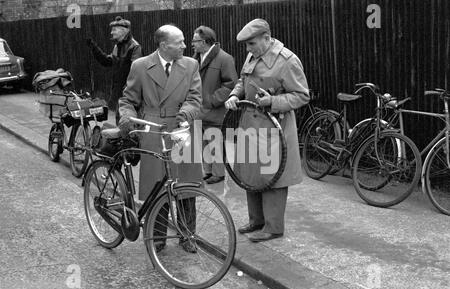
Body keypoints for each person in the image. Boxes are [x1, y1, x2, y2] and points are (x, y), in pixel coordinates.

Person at [118, 24, 203, 253]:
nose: (185, 46)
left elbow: (195, 98)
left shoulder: (191, 65)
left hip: (181, 129)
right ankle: (157, 237)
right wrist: (128, 118)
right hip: (154, 130)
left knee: (186, 185)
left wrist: (185, 114)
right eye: (180, 42)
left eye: (185, 41)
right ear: (164, 45)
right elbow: (128, 100)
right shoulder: (141, 66)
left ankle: (188, 235)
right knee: (158, 187)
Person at [225, 18, 310, 242]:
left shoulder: (287, 60)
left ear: (266, 38)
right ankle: (256, 220)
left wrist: (273, 100)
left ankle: (273, 227)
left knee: (273, 177)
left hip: (275, 127)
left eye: (251, 44)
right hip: (250, 123)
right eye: (247, 45)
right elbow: (244, 81)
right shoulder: (253, 55)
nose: (248, 49)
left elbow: (302, 95)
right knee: (251, 174)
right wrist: (235, 95)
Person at [192, 26, 238, 184]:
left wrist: (211, 100)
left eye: (195, 41)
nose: (192, 44)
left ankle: (219, 173)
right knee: (205, 140)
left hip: (214, 109)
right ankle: (209, 171)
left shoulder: (224, 58)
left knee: (216, 140)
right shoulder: (198, 57)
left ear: (204, 42)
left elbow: (231, 84)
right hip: (201, 109)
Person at [86, 16, 143, 125]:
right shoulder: (117, 47)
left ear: (123, 30)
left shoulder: (135, 47)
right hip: (119, 92)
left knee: (128, 123)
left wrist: (128, 89)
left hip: (129, 94)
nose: (111, 32)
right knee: (120, 122)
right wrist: (93, 47)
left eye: (114, 29)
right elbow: (107, 62)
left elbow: (137, 71)